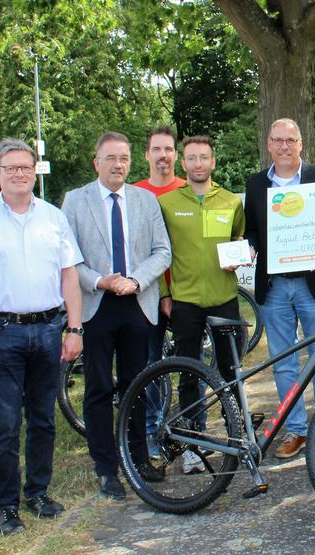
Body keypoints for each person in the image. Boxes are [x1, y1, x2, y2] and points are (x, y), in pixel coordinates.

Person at [0, 139, 83, 535]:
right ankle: (7, 506)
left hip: (48, 329)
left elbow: (69, 275)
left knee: (44, 419)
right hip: (1, 333)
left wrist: (74, 328)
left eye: (25, 167)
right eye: (11, 168)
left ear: (34, 171)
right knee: (6, 423)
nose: (19, 173)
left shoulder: (53, 217)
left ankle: (38, 492)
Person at [60, 131, 172, 500]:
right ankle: (106, 468)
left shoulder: (145, 200)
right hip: (96, 303)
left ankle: (137, 459)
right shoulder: (75, 201)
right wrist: (99, 281)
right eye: (110, 158)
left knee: (136, 385)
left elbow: (162, 251)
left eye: (123, 158)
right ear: (96, 162)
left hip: (137, 302)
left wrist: (136, 281)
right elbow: (68, 258)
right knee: (98, 388)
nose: (118, 164)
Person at [243, 120, 315, 459]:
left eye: (291, 140)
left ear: (301, 144)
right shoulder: (256, 184)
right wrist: (249, 247)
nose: (284, 146)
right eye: (278, 140)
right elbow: (253, 231)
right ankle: (296, 430)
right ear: (269, 144)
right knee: (284, 364)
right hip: (275, 288)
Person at [157, 135, 249, 470]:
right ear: (183, 163)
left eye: (204, 157)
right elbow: (159, 252)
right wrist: (164, 293)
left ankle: (238, 436)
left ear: (213, 161)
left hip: (224, 299)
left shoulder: (230, 201)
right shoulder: (166, 203)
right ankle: (193, 444)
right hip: (185, 301)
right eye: (192, 158)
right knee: (188, 372)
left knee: (230, 370)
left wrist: (241, 254)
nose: (198, 164)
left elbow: (239, 238)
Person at [133, 125, 186, 457]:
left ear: (175, 155)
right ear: (147, 155)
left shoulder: (187, 189)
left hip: (185, 292)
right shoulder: (135, 193)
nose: (163, 155)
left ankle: (189, 429)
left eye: (168, 149)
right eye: (157, 149)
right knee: (150, 365)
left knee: (190, 364)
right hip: (147, 293)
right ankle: (152, 431)